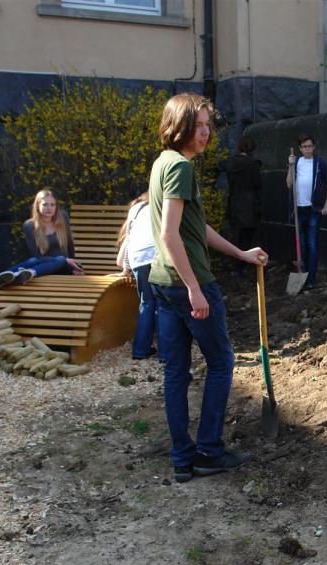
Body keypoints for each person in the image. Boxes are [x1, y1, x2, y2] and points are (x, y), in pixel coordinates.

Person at [148, 92, 268, 484]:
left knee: (176, 373)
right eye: (197, 126)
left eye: (207, 125)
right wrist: (194, 289)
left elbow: (194, 227)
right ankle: (209, 452)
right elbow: (169, 235)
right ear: (179, 126)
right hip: (188, 283)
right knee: (221, 363)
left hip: (162, 283)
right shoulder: (180, 167)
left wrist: (240, 253)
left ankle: (182, 460)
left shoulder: (163, 163)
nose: (205, 133)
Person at [0, 189, 82, 288]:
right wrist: (64, 259)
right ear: (37, 206)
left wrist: (74, 265)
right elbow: (37, 255)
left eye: (52, 205)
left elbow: (70, 244)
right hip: (44, 267)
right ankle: (4, 276)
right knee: (34, 260)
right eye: (45, 204)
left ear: (56, 206)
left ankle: (30, 273)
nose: (49, 208)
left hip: (65, 267)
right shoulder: (29, 225)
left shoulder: (63, 217)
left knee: (60, 259)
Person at [285, 133, 327, 290]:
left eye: (310, 146)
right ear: (300, 148)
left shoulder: (319, 163)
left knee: (312, 244)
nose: (307, 149)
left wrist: (326, 206)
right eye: (304, 147)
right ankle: (303, 274)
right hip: (298, 209)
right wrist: (290, 166)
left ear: (314, 147)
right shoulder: (296, 162)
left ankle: (311, 279)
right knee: (302, 244)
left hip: (313, 209)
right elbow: (289, 184)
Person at [116, 192, 160, 361]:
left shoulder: (135, 209)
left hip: (138, 259)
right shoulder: (163, 204)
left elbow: (129, 239)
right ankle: (166, 353)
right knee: (163, 305)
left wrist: (126, 267)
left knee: (147, 303)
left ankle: (140, 351)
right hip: (157, 256)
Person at [225, 135, 262, 277]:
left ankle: (236, 267)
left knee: (236, 236)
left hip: (234, 202)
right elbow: (258, 184)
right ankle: (243, 266)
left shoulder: (230, 164)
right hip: (249, 204)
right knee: (247, 237)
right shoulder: (253, 165)